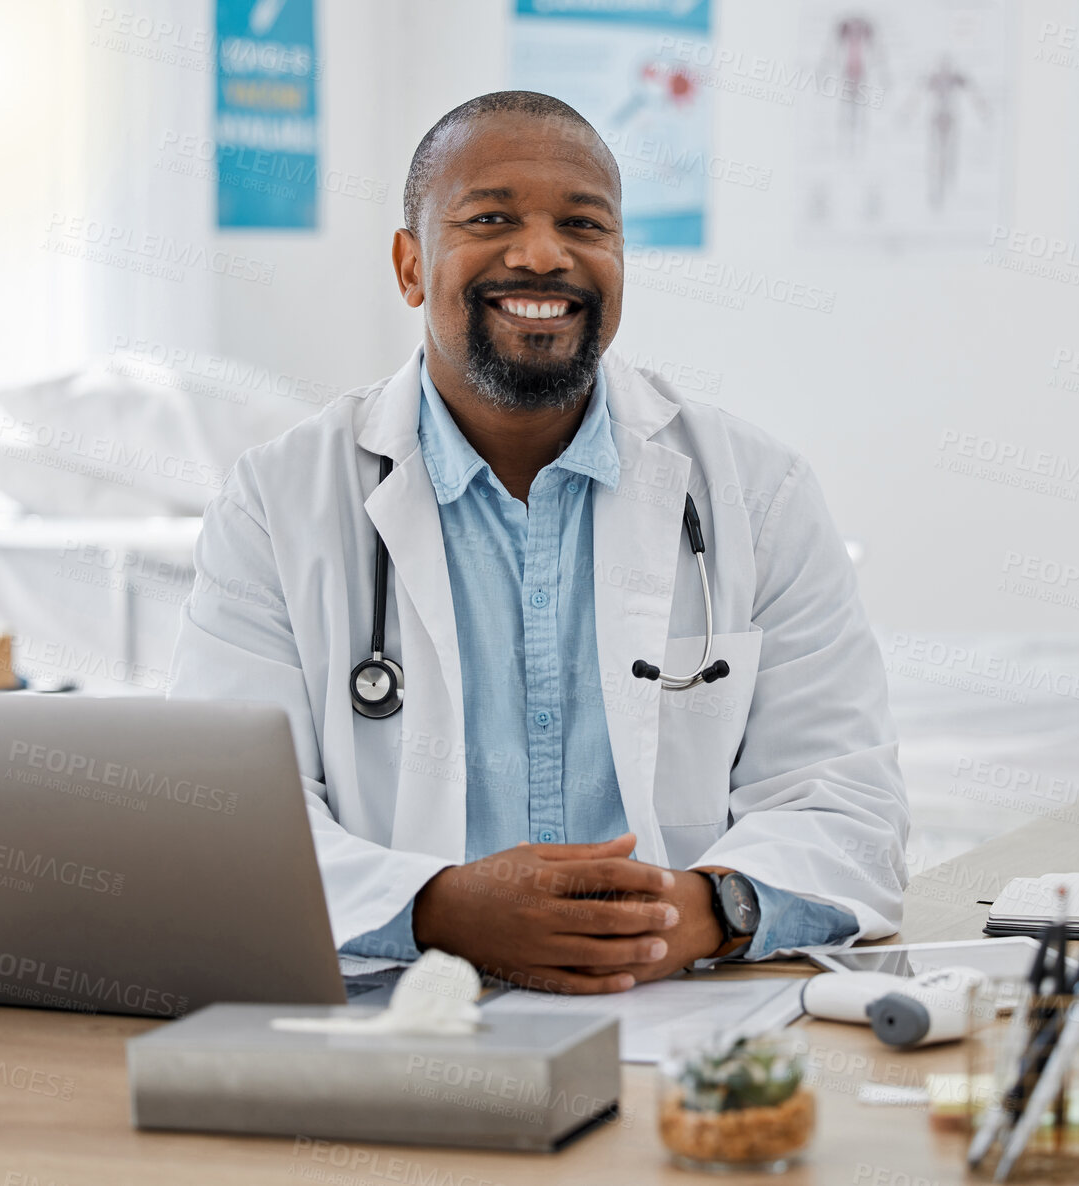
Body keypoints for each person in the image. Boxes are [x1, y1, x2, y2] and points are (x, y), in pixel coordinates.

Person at [169, 91, 908, 994]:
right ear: (410, 265)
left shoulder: (757, 490)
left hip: (685, 1016)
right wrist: (436, 909)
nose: (543, 253)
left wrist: (704, 912)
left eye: (583, 224)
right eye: (491, 217)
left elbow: (846, 802)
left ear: (621, 262)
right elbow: (232, 823)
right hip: (395, 1017)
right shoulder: (276, 502)